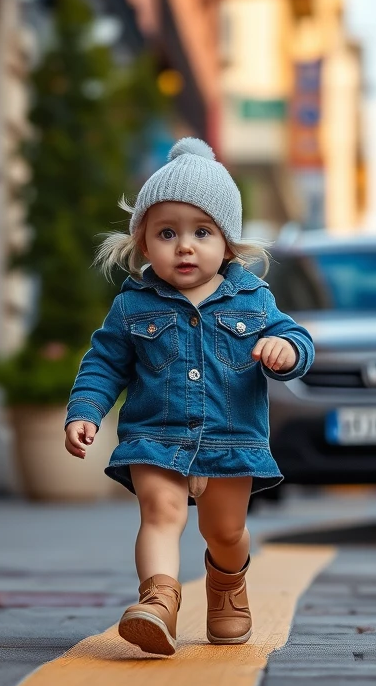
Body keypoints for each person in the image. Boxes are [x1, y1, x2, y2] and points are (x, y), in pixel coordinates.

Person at [64, 138, 314, 655]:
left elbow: (300, 339)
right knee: (160, 512)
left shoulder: (253, 298)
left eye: (201, 232)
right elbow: (105, 362)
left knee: (225, 531)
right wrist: (85, 410)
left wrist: (285, 350)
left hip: (231, 440)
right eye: (166, 233)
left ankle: (226, 584)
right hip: (155, 437)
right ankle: (158, 601)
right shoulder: (134, 305)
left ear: (227, 243)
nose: (184, 246)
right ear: (143, 242)